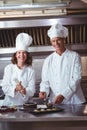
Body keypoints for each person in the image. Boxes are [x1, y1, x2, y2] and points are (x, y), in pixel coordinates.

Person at [39, 23, 86, 104]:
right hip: (55, 101)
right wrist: (43, 91)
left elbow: (76, 78)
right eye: (53, 41)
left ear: (64, 40)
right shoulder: (48, 60)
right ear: (51, 42)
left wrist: (64, 95)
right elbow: (45, 81)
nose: (56, 43)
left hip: (74, 101)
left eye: (58, 40)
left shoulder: (74, 56)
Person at [2, 33, 36, 106]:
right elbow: (5, 88)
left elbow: (32, 90)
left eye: (24, 53)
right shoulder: (8, 68)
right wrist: (15, 89)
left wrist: (25, 91)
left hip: (26, 106)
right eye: (19, 52)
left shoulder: (30, 71)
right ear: (16, 54)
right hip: (9, 106)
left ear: (27, 55)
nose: (21, 55)